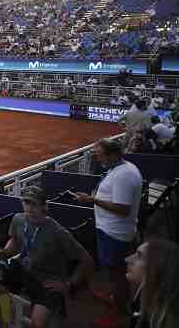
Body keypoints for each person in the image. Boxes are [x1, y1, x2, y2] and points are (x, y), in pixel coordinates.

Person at [0, 186, 94, 328]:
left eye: (34, 204)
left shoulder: (58, 232)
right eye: (26, 202)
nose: (29, 208)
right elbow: (15, 240)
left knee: (36, 325)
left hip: (48, 280)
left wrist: (69, 284)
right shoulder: (18, 219)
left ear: (44, 206)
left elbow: (87, 261)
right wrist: (4, 252)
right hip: (24, 270)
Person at [75, 138, 143, 328]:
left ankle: (120, 313)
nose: (97, 158)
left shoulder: (123, 175)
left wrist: (92, 200)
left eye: (99, 154)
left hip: (114, 233)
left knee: (117, 274)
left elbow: (123, 209)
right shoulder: (122, 168)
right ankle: (117, 298)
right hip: (113, 230)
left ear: (112, 154)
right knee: (116, 272)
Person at [125, 238, 179, 328]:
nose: (127, 259)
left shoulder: (176, 321)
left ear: (160, 267)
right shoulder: (147, 299)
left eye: (139, 255)